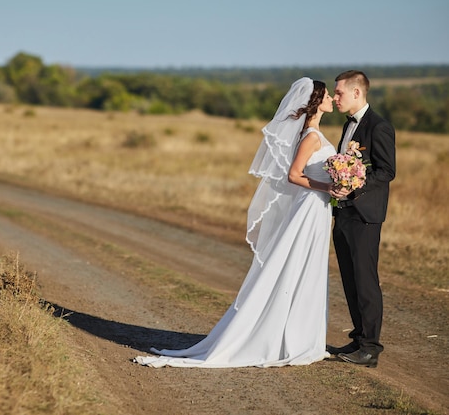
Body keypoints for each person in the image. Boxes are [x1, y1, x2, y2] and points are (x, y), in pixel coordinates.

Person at [134, 78, 337, 368]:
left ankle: (297, 335)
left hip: (315, 209)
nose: (332, 99)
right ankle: (287, 338)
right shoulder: (312, 137)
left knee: (304, 268)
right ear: (316, 102)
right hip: (310, 208)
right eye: (328, 95)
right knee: (296, 266)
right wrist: (327, 187)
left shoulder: (310, 134)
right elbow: (294, 175)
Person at [327, 70, 396, 368]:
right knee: (350, 279)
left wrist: (355, 184)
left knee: (366, 281)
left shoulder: (379, 127)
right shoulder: (348, 127)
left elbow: (386, 171)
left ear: (357, 93)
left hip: (365, 215)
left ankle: (370, 348)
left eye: (339, 92)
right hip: (343, 213)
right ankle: (358, 338)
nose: (335, 97)